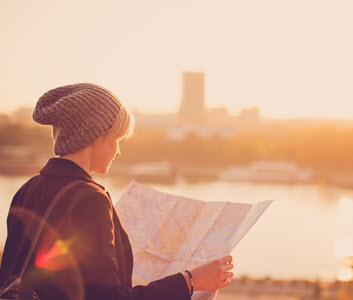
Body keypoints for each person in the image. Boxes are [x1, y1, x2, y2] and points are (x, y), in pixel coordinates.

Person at [0, 83, 234, 300]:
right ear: (96, 137)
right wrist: (189, 281)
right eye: (118, 139)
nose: (119, 152)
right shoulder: (90, 199)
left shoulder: (27, 189)